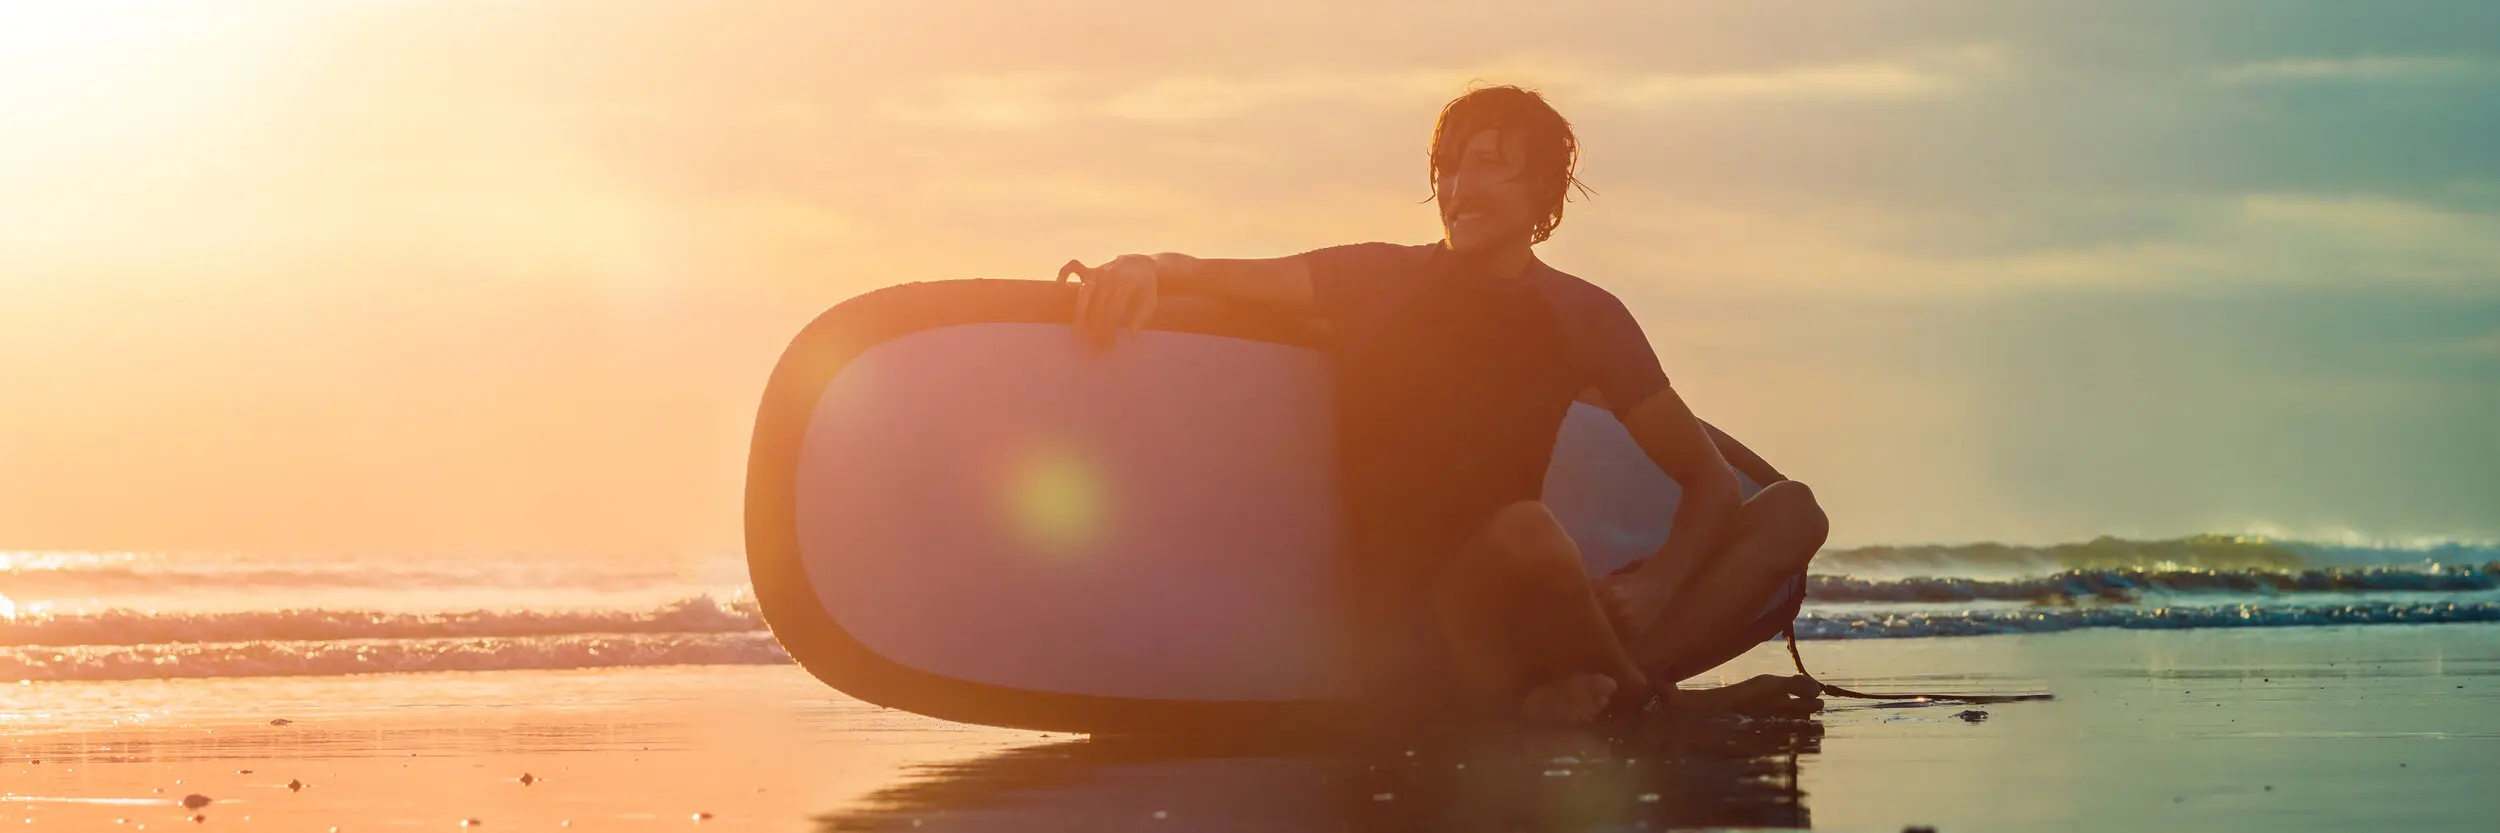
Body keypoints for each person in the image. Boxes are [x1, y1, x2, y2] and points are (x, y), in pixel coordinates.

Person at [1061, 85, 1829, 724]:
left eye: (1490, 165)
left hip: (1537, 607)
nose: (1460, 187)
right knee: (1526, 530)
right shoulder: (1376, 282)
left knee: (1795, 512)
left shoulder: (1585, 316)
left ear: (1541, 192)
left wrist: (1660, 579)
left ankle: (1602, 692)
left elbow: (1709, 480)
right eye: (1451, 168)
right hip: (1426, 626)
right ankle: (1641, 700)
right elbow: (1215, 273)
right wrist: (1142, 265)